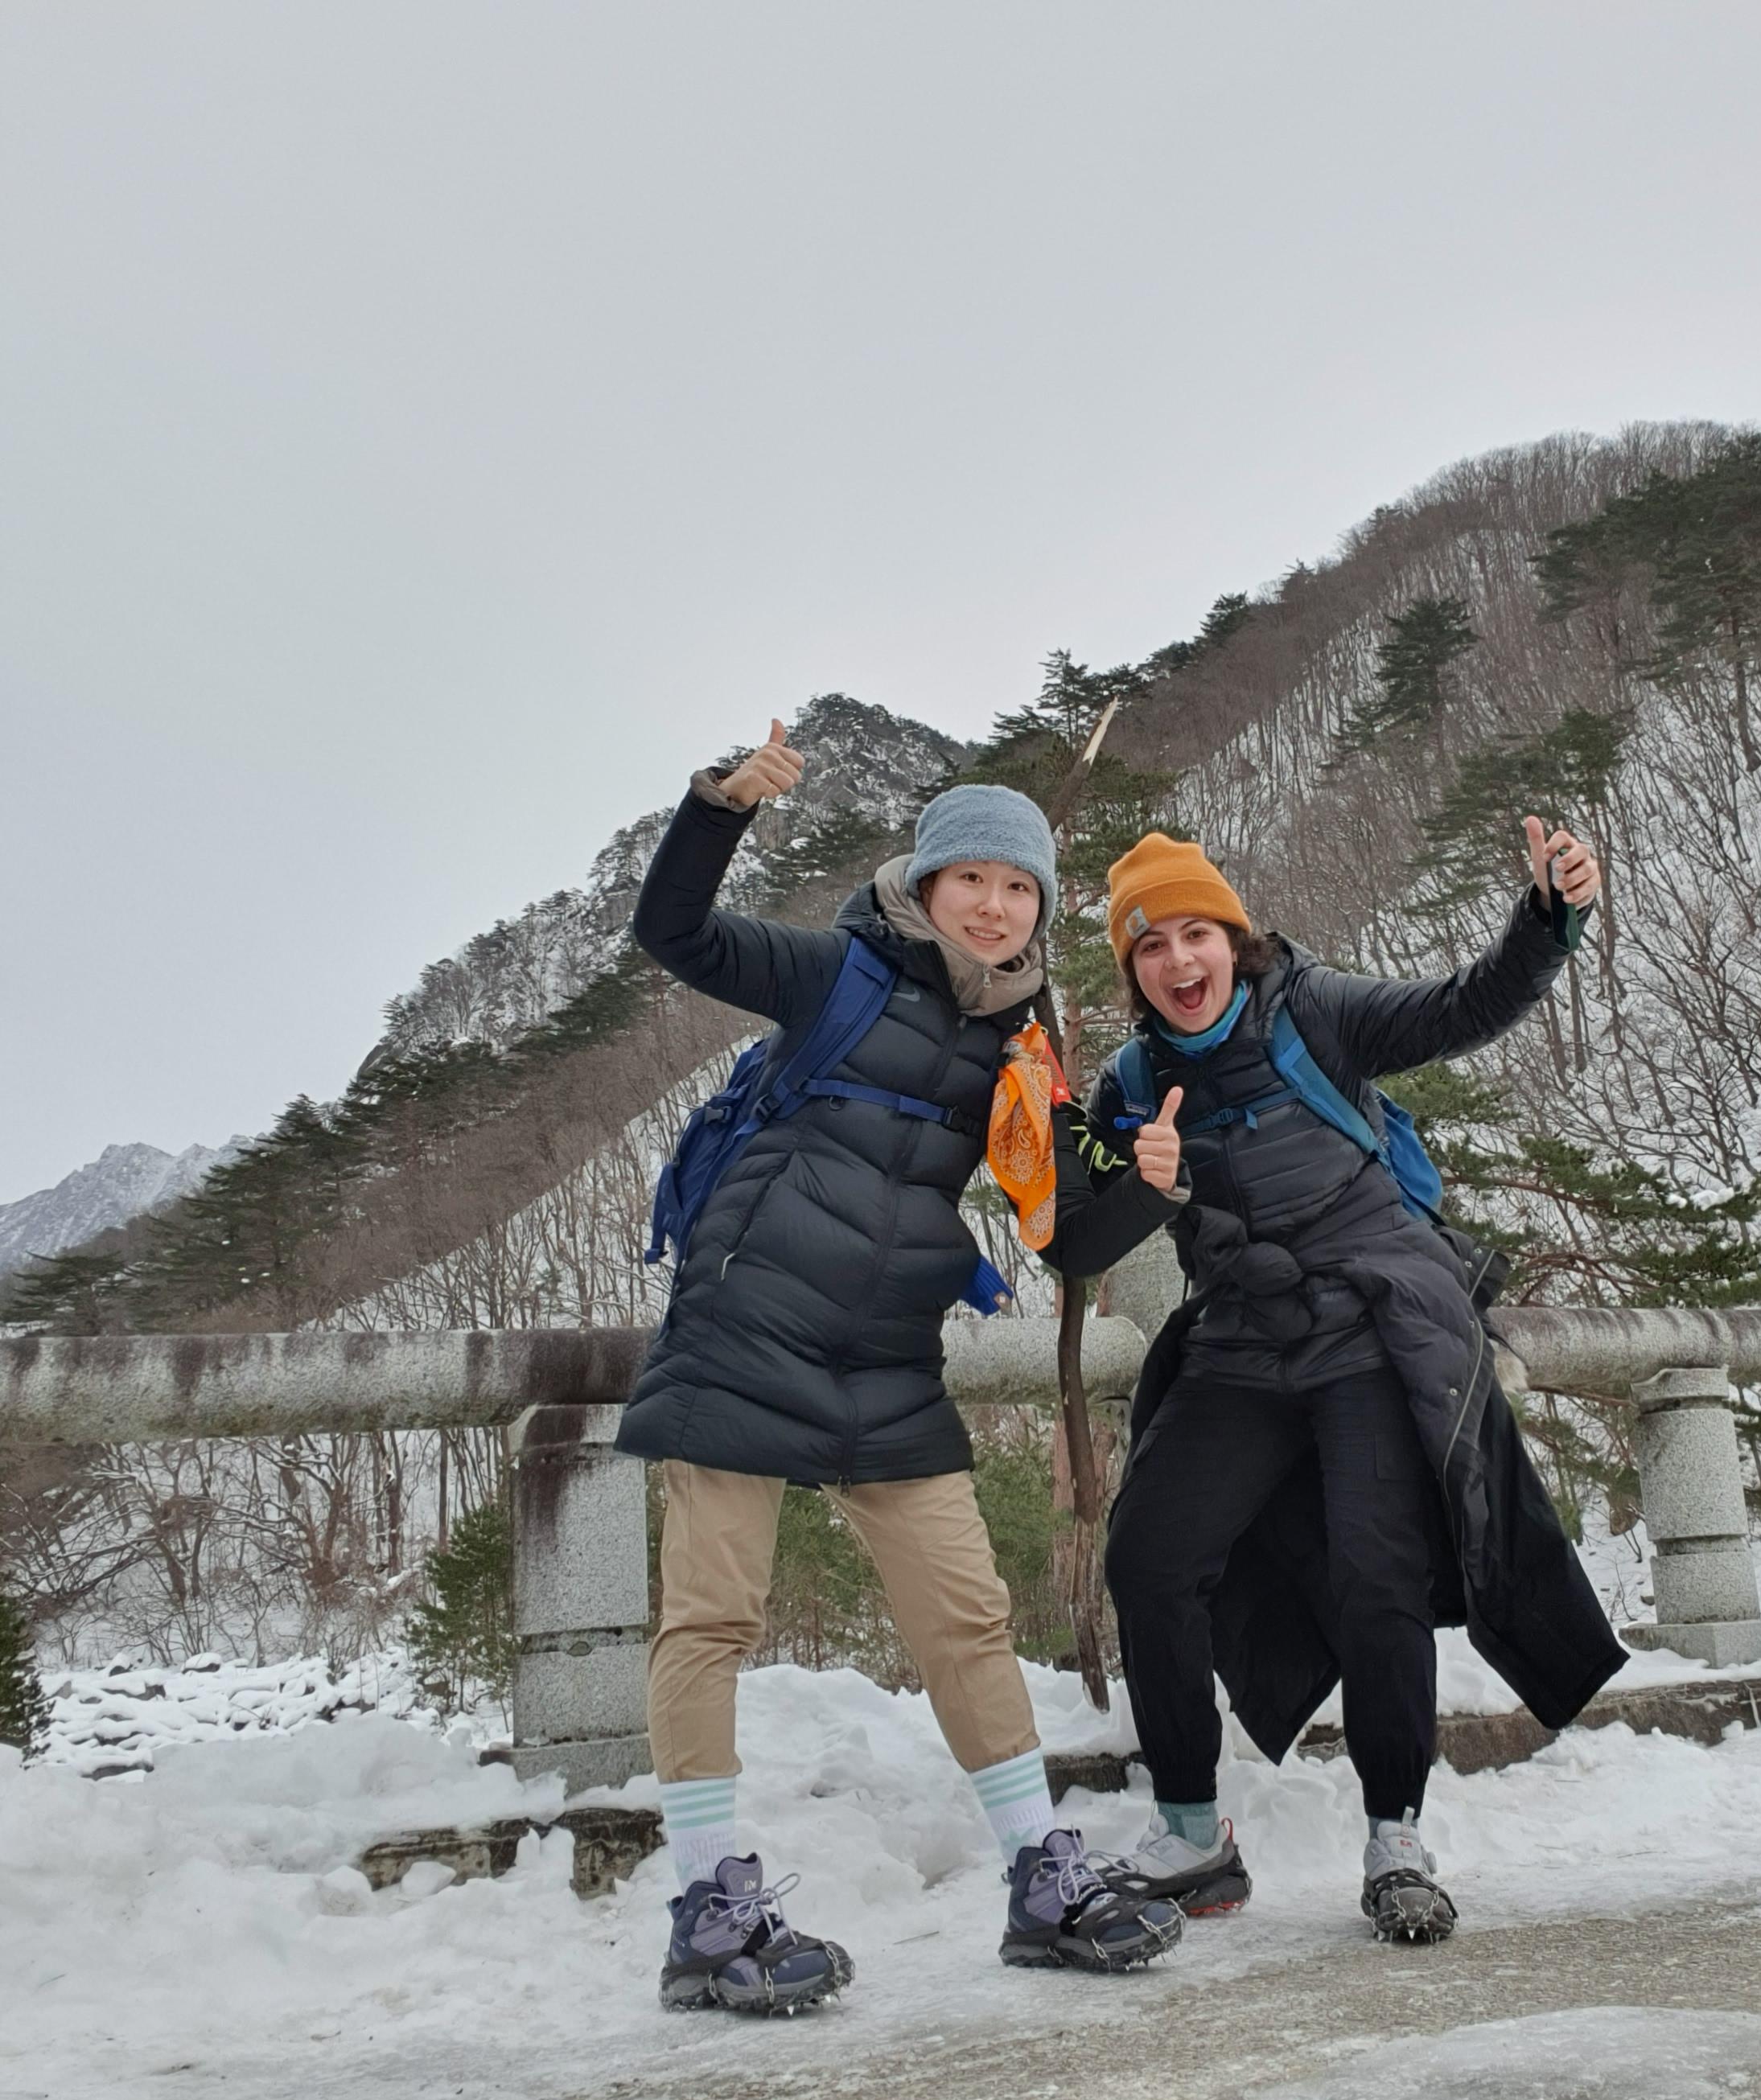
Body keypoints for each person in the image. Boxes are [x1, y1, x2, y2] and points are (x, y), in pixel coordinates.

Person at [619, 722, 1187, 2013]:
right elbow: (676, 933)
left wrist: (1148, 1187)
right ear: (924, 885)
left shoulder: (1024, 1047)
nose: (992, 904)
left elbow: (1065, 1233)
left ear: (1039, 908)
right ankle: (707, 1910)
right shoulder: (838, 972)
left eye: (1019, 886)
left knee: (966, 1617)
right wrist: (718, 808)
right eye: (970, 878)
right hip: (746, 1322)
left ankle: (1040, 1875)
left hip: (886, 1352)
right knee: (712, 1618)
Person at [1084, 819, 1627, 1942]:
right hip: (1241, 1339)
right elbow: (1079, 1221)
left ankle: (1396, 1837)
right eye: (1151, 947)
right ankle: (1192, 1835)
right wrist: (1126, 1175)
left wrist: (1548, 918)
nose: (1180, 963)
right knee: (1149, 1554)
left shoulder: (1314, 1011)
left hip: (1369, 1327)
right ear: (1133, 971)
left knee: (1379, 1575)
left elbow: (1461, 1008)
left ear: (1234, 939)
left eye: (1197, 934)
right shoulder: (1131, 1082)